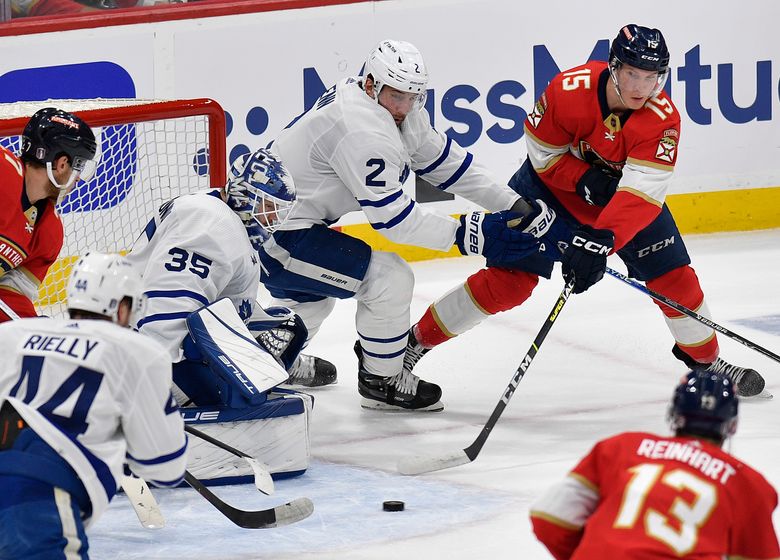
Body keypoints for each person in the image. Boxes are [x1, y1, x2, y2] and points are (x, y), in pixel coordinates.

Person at [403, 24, 769, 398]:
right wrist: (585, 181)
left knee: (675, 281)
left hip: (622, 207)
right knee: (508, 281)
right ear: (614, 67)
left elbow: (641, 194)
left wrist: (601, 241)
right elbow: (543, 158)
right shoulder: (567, 90)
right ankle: (411, 345)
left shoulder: (663, 119)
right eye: (632, 75)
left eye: (651, 77)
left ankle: (708, 363)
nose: (641, 88)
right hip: (550, 193)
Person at [262, 39, 556, 412]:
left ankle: (265, 363)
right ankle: (381, 380)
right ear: (372, 84)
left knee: (312, 298)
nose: (405, 107)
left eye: (414, 96)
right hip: (274, 233)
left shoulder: (391, 107)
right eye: (397, 96)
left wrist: (514, 205)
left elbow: (447, 164)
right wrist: (472, 234)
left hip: (285, 220)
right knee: (388, 278)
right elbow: (394, 221)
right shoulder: (361, 129)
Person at [0, 252, 187, 560]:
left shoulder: (12, 334)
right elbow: (164, 468)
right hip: (32, 494)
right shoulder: (137, 351)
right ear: (123, 307)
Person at [125, 147, 336, 403]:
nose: (271, 220)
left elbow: (221, 298)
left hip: (142, 341)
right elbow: (167, 306)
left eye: (278, 213)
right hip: (145, 357)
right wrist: (155, 390)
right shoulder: (214, 222)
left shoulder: (220, 216)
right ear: (244, 194)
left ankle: (270, 367)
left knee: (288, 327)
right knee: (245, 397)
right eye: (268, 207)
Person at [530, 369, 780, 559]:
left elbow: (548, 517)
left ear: (673, 415)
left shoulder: (621, 448)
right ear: (732, 424)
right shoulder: (749, 485)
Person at [0, 107, 97, 323]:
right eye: (78, 166)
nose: (79, 179)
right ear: (62, 164)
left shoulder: (49, 231)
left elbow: (11, 296)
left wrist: (27, 329)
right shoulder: (3, 170)